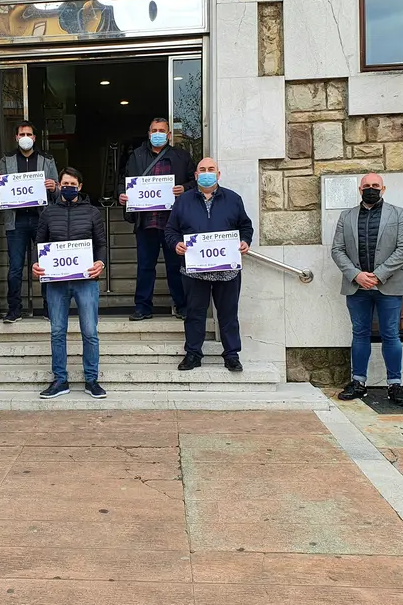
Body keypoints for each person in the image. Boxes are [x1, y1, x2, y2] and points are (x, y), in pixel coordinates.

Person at [331, 173, 403, 407]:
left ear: (383, 189)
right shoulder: (346, 216)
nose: (371, 189)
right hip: (357, 285)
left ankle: (395, 385)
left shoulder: (398, 214)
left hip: (389, 284)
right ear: (360, 189)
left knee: (390, 335)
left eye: (375, 186)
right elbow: (337, 249)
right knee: (360, 334)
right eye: (366, 186)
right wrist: (356, 275)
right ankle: (358, 382)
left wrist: (378, 275)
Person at [165, 158, 253, 373]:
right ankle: (193, 354)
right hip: (194, 270)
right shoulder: (183, 201)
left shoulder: (233, 199)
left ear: (218, 174)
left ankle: (231, 354)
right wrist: (176, 244)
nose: (206, 173)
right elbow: (170, 230)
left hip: (227, 270)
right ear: (195, 175)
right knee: (194, 313)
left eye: (210, 170)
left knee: (228, 313)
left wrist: (245, 241)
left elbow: (246, 226)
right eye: (202, 170)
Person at [32, 168, 108, 400]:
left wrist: (101, 263)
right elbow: (39, 242)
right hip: (56, 282)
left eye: (72, 183)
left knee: (89, 331)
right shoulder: (47, 212)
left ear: (80, 186)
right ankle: (60, 380)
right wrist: (36, 264)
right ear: (59, 185)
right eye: (64, 183)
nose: (68, 187)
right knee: (57, 331)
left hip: (86, 280)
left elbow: (102, 244)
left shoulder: (93, 212)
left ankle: (92, 380)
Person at [117, 118, 196, 321]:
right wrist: (122, 195)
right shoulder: (136, 156)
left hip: (173, 223)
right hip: (146, 222)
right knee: (145, 267)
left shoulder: (181, 156)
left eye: (162, 130)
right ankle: (143, 307)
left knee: (175, 266)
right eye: (154, 130)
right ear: (148, 133)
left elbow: (194, 183)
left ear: (169, 134)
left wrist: (184, 189)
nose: (158, 133)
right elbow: (123, 181)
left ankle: (182, 305)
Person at [0, 121, 59, 323]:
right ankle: (14, 310)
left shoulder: (47, 160)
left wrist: (53, 187)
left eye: (29, 133)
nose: (25, 137)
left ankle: (49, 307)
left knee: (45, 265)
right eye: (22, 134)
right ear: (16, 138)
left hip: (41, 220)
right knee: (15, 267)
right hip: (16, 221)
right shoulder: (7, 160)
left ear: (34, 138)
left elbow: (57, 192)